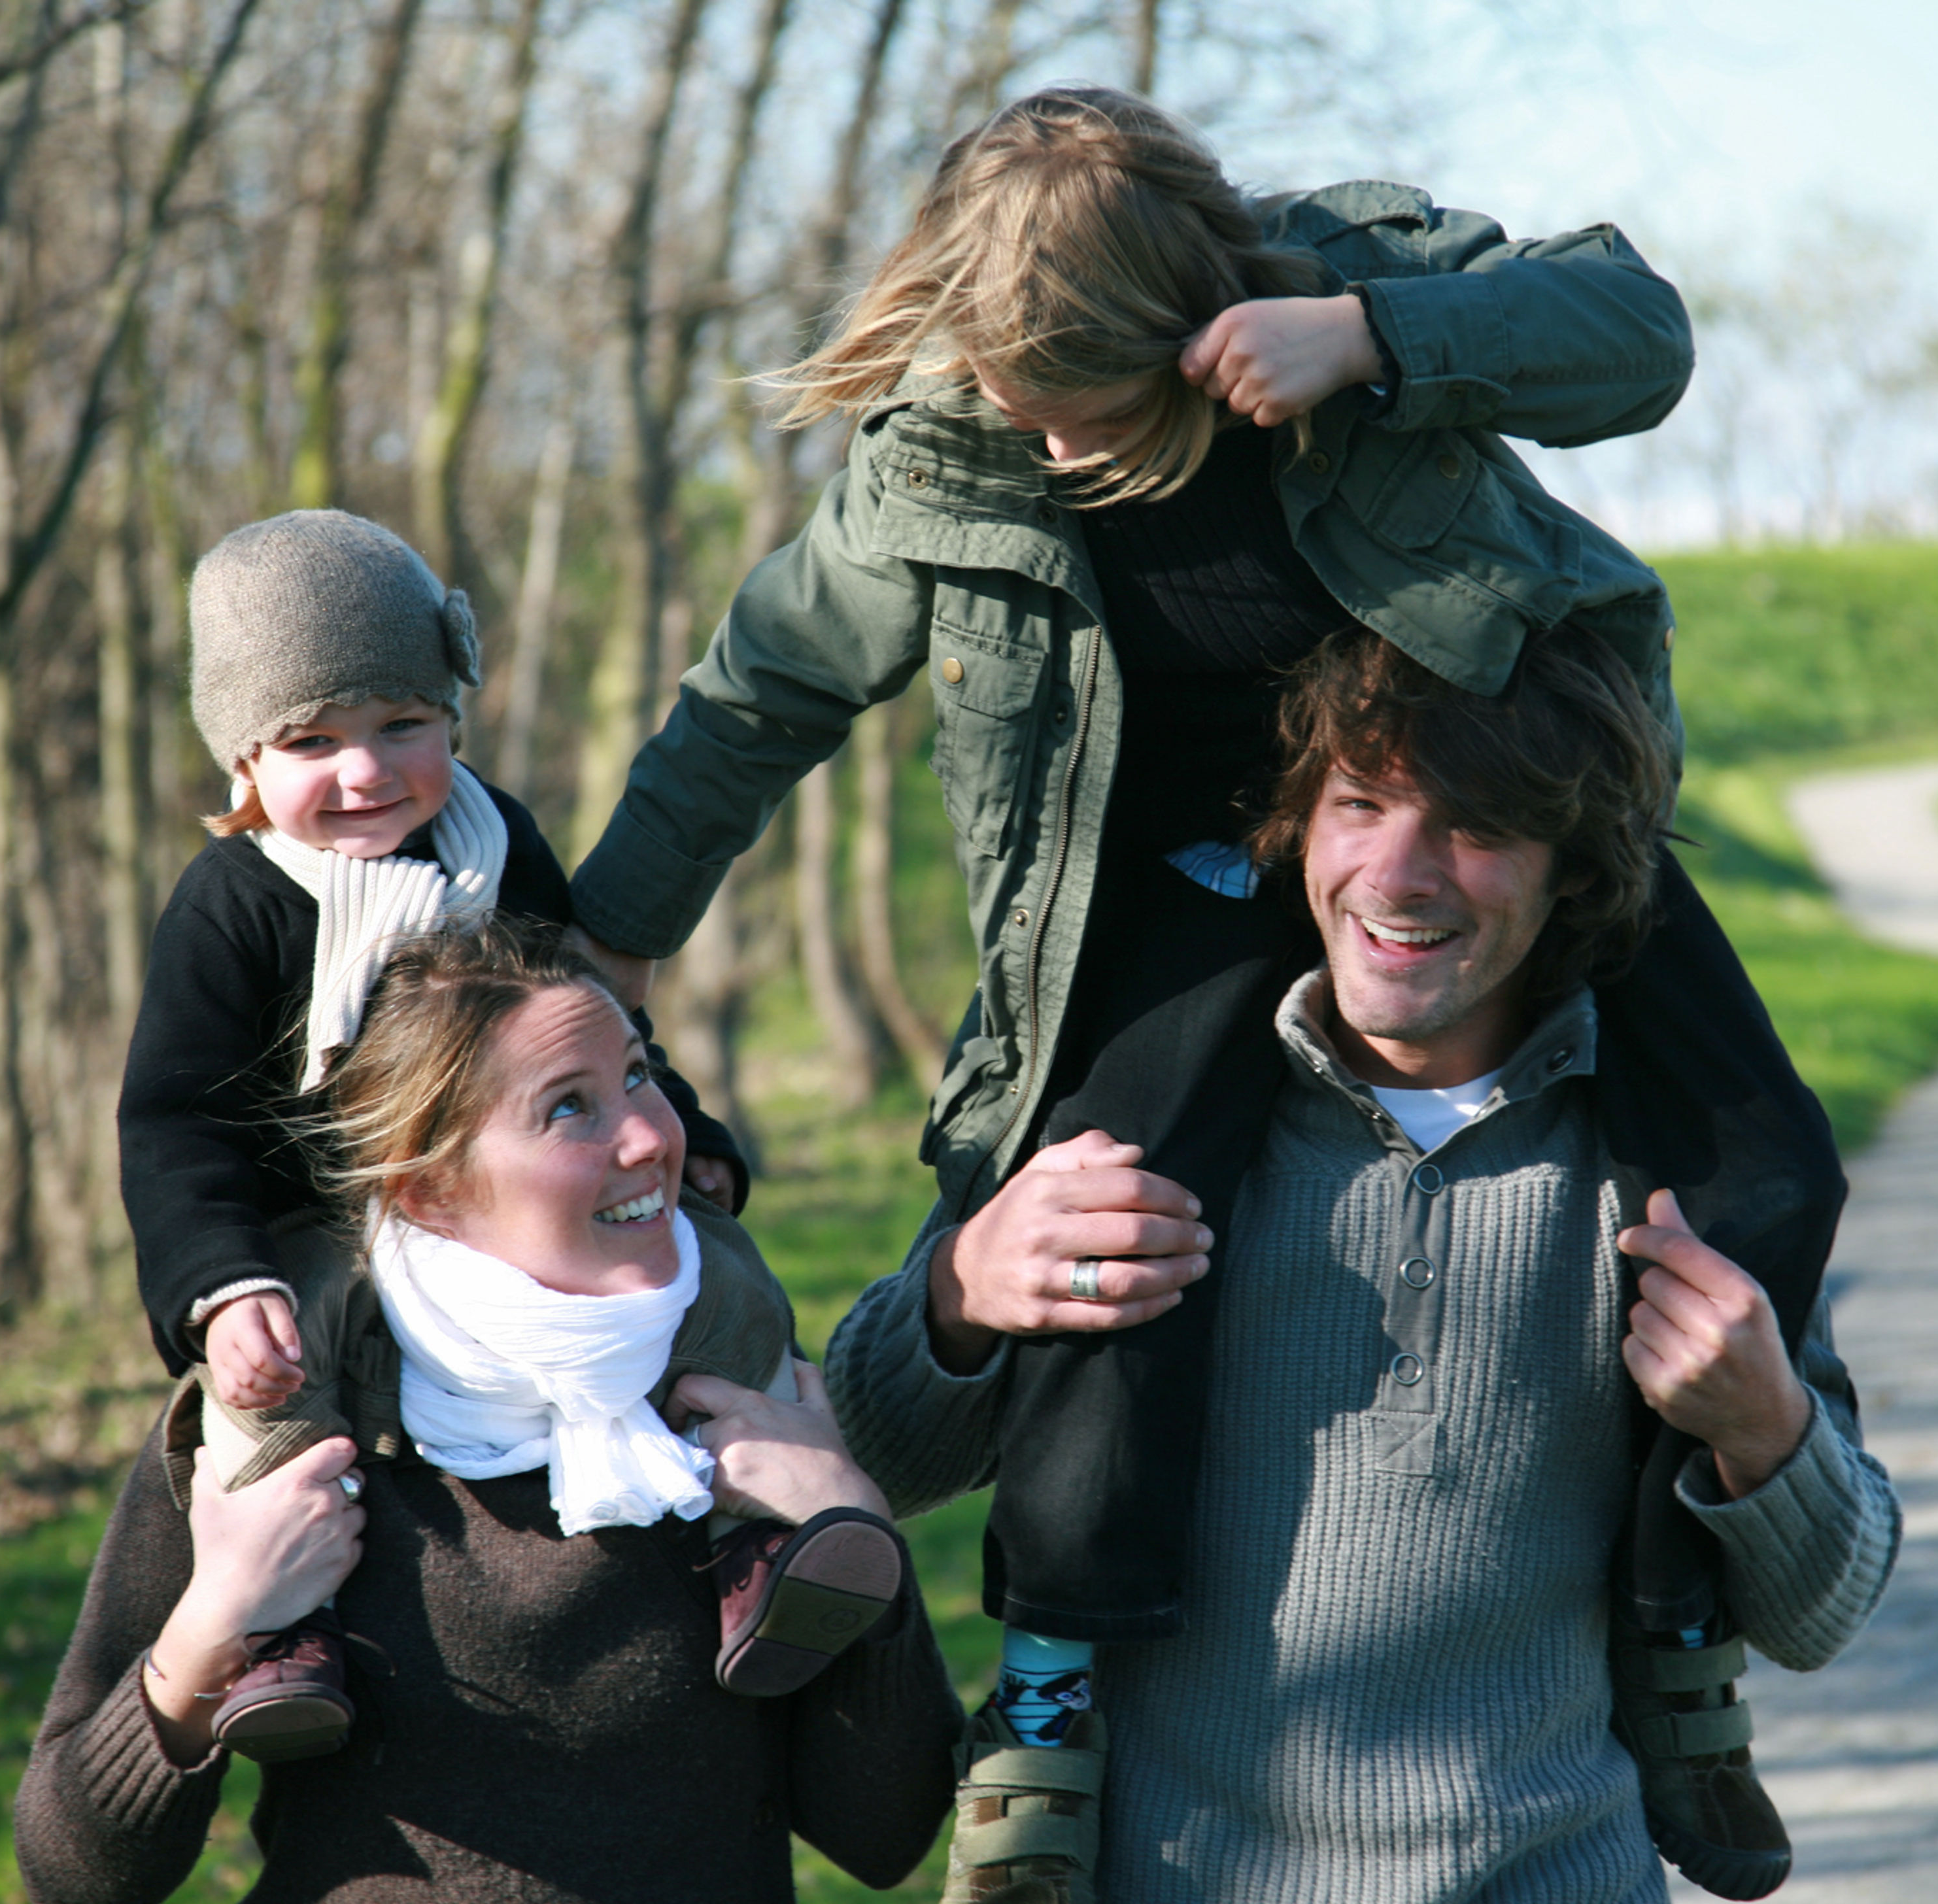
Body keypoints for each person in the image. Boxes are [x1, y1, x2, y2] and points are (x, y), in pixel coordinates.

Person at [564, 81, 1703, 1810]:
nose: (1057, 449)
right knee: (1113, 1210)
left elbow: (1639, 337)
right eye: (1023, 410)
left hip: (1476, 833)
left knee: (1739, 1151)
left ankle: (1682, 1646)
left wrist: (1371, 340)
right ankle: (1051, 1703)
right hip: (1174, 884)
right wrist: (612, 946)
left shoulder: (1337, 290)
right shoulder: (944, 454)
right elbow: (760, 696)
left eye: (1088, 412)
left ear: (1194, 331)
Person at [826, 624, 1901, 1903]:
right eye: (1361, 804)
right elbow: (862, 1460)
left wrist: (1765, 1426)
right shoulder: (1145, 1116)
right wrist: (961, 1290)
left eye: (1477, 826)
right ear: (1298, 829)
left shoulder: (1676, 1168)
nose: (1399, 872)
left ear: (1573, 869)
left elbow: (1822, 1612)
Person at [22, 917, 960, 1901]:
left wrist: (850, 1518)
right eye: (569, 1109)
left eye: (639, 1075)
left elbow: (887, 1837)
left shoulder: (744, 1384)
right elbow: (74, 1875)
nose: (647, 1135)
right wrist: (215, 1619)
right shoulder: (280, 1402)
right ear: (429, 1190)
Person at [116, 509, 775, 1760]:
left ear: (453, 721)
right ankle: (283, 1629)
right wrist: (219, 1286)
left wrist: (677, 1121)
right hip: (318, 1218)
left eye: (401, 727)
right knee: (276, 1366)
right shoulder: (237, 905)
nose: (366, 774)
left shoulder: (493, 843)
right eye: (313, 742)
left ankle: (759, 1535)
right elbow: (174, 1119)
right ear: (243, 765)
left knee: (725, 1275)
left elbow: (587, 1014)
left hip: (502, 1197)